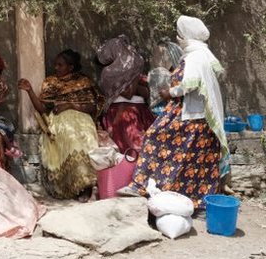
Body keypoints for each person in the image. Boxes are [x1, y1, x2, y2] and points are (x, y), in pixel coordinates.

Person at [121, 16, 229, 207]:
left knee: (155, 137)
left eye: (180, 34)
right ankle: (178, 196)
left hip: (190, 115)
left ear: (186, 36)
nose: (178, 38)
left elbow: (189, 84)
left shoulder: (195, 57)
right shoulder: (201, 54)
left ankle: (142, 186)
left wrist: (169, 92)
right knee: (191, 158)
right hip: (193, 114)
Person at [19, 49, 101, 201]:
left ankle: (87, 185)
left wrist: (70, 105)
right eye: (55, 65)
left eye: (60, 65)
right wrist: (30, 91)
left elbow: (92, 107)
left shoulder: (83, 82)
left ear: (71, 67)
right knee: (71, 142)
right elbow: (43, 108)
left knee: (86, 139)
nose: (56, 68)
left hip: (82, 120)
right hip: (59, 121)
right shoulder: (50, 83)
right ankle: (74, 185)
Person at [97, 36, 154, 154]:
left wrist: (129, 82)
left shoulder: (115, 72)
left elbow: (142, 93)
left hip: (128, 112)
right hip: (129, 112)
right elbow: (132, 93)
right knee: (134, 150)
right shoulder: (111, 73)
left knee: (133, 150)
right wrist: (134, 79)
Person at [147, 39, 184, 116]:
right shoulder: (181, 71)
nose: (155, 58)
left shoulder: (158, 73)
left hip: (165, 114)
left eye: (159, 55)